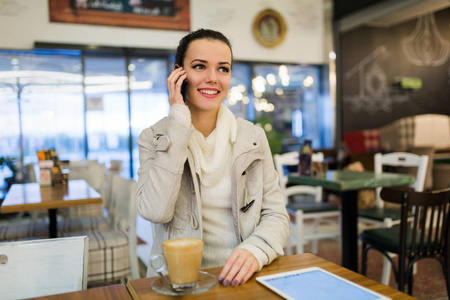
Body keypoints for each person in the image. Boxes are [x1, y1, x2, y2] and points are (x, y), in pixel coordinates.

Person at [135, 28, 289, 287]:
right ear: (177, 73)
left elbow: (276, 214)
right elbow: (156, 211)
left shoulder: (252, 137)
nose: (212, 78)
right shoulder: (153, 137)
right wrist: (179, 123)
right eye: (199, 66)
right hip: (180, 282)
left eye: (223, 69)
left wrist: (256, 250)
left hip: (244, 278)